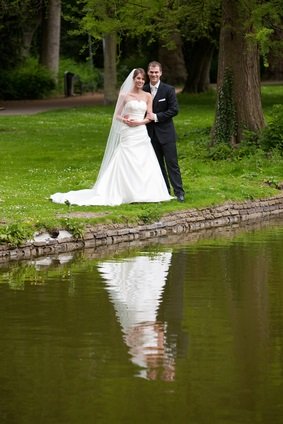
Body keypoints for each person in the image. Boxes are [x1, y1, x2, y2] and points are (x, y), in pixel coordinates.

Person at [50, 68, 173, 206]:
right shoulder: (124, 95)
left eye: (143, 79)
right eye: (138, 78)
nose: (140, 81)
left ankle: (145, 192)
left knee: (143, 159)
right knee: (126, 157)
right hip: (128, 131)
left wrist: (140, 122)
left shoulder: (147, 96)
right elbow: (117, 115)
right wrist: (125, 120)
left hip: (140, 131)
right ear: (133, 79)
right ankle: (124, 191)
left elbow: (149, 116)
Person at [143, 61, 185, 202]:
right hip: (149, 134)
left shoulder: (168, 90)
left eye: (156, 72)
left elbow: (174, 110)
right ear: (148, 73)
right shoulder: (143, 90)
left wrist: (156, 117)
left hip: (166, 134)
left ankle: (179, 192)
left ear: (160, 73)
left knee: (172, 164)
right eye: (151, 72)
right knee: (158, 165)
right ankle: (164, 191)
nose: (154, 74)